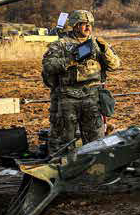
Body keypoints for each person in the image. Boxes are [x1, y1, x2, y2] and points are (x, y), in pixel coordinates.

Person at [41, 9, 120, 154]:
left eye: (90, 24)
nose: (88, 27)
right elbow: (48, 66)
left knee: (96, 141)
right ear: (75, 26)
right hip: (67, 98)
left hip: (92, 97)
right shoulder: (61, 44)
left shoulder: (97, 44)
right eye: (83, 24)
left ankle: (95, 165)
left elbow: (115, 65)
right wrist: (70, 60)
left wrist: (106, 50)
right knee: (63, 141)